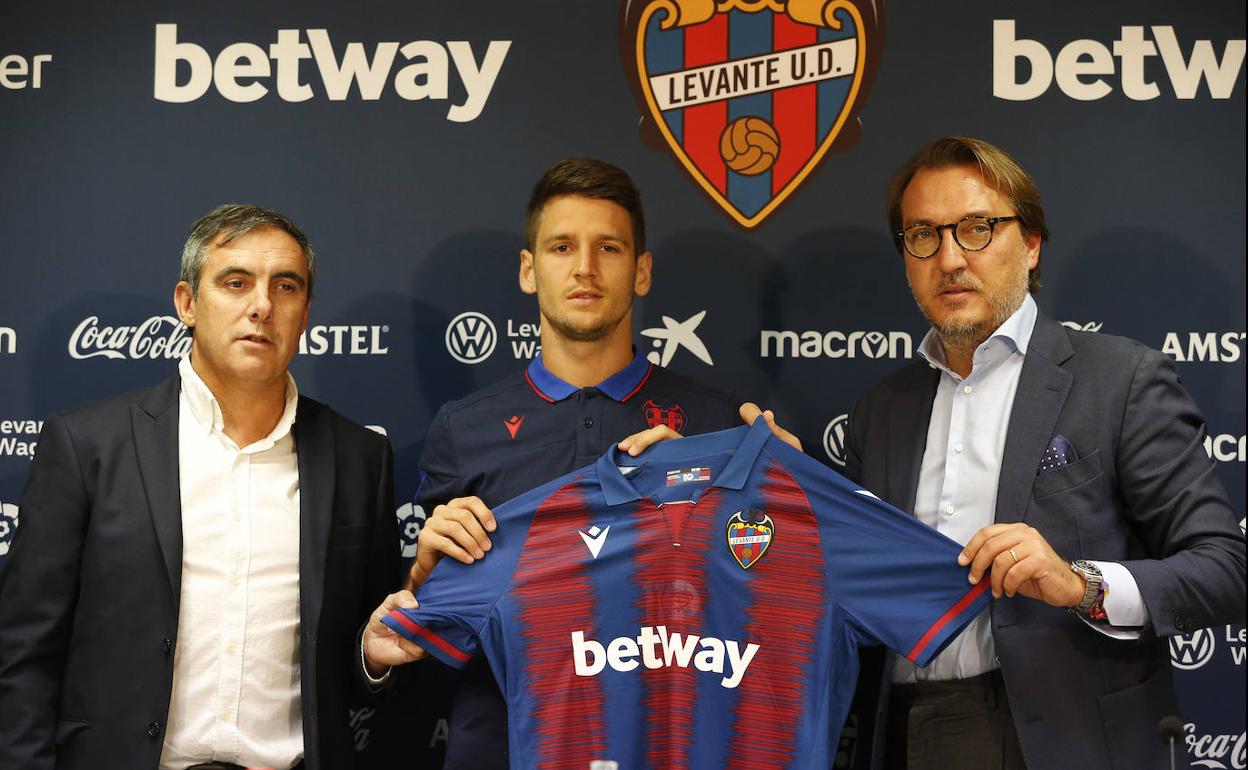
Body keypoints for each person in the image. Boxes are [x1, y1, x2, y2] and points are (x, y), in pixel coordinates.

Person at [841, 136, 1245, 769]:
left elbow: (1225, 569)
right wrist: (778, 487)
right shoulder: (880, 409)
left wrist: (1078, 584)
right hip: (903, 732)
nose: (949, 258)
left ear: (1030, 245)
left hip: (1065, 738)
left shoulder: (1121, 379)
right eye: (923, 235)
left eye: (976, 229)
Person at [360, 157, 743, 770]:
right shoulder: (465, 429)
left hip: (672, 746)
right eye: (562, 247)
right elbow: (432, 614)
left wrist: (770, 485)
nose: (585, 268)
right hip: (502, 744)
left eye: (609, 248)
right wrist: (416, 586)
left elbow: (756, 604)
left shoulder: (717, 423)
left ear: (641, 271)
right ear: (528, 270)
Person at [0, 205, 400, 770]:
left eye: (285, 286)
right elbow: (22, 655)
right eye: (236, 282)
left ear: (306, 312)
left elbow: (364, 656)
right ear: (188, 304)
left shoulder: (361, 457)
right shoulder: (87, 443)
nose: (262, 305)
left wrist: (372, 660)